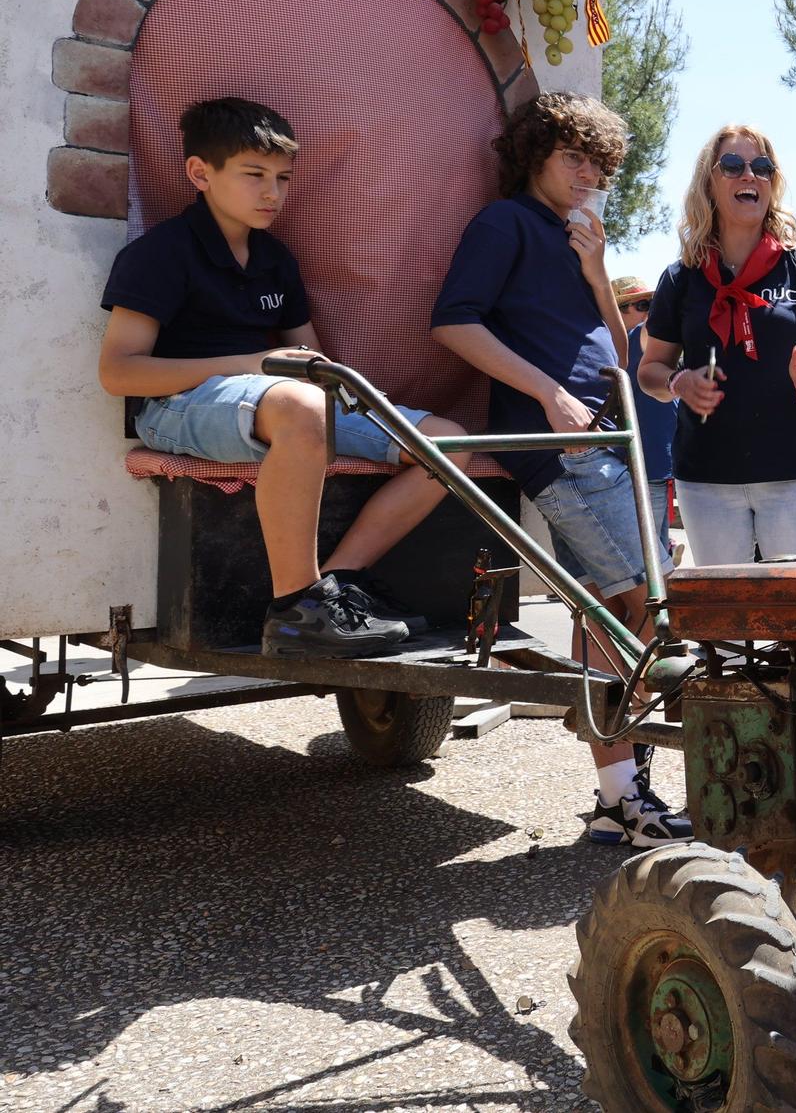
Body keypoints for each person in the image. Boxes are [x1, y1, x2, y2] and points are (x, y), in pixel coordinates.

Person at [98, 97, 467, 657]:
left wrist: (347, 396)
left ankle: (334, 587)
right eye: (254, 175)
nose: (273, 192)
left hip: (274, 397)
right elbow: (118, 372)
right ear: (200, 173)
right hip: (177, 406)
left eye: (283, 178)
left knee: (449, 444)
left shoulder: (276, 259)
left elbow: (310, 361)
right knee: (301, 405)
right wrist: (250, 365)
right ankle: (294, 609)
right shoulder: (160, 254)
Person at [432, 92, 684, 849]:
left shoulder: (570, 235)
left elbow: (620, 348)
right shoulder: (504, 222)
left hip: (607, 439)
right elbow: (451, 321)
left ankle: (620, 797)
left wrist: (599, 269)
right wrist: (546, 394)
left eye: (599, 166)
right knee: (642, 605)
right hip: (563, 445)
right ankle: (628, 790)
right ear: (534, 154)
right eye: (574, 157)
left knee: (617, 615)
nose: (587, 176)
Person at [636, 125, 796, 565]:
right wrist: (679, 381)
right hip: (707, 475)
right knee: (727, 623)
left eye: (761, 168)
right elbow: (649, 371)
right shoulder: (681, 278)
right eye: (733, 166)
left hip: (794, 470)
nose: (749, 177)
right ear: (709, 183)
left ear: (772, 183)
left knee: (792, 617)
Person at [613, 275, 676, 557]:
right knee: (650, 554)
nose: (651, 310)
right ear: (618, 310)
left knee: (652, 550)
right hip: (645, 464)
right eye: (643, 304)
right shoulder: (640, 335)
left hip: (651, 464)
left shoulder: (611, 346)